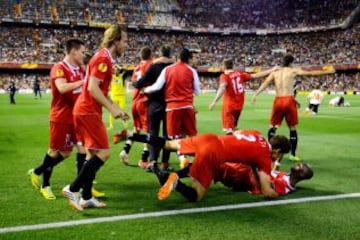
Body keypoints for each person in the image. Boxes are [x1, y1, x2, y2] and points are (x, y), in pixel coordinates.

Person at [62, 25, 129, 211]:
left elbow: (99, 90)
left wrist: (115, 108)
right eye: (124, 41)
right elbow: (92, 87)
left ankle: (86, 197)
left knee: (91, 153)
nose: (125, 45)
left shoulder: (104, 57)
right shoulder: (103, 58)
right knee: (103, 153)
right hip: (87, 111)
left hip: (87, 110)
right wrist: (111, 109)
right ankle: (72, 188)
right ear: (115, 41)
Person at [128, 129, 291, 202]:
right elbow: (266, 191)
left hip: (208, 138)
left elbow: (236, 133)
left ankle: (132, 136)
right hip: (213, 153)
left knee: (168, 144)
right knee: (196, 196)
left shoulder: (256, 134)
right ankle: (174, 179)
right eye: (280, 155)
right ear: (277, 151)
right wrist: (277, 193)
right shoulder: (264, 157)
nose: (278, 158)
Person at [28, 39, 86, 200]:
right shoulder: (59, 68)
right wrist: (83, 81)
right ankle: (45, 185)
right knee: (54, 152)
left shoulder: (80, 69)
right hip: (60, 117)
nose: (84, 54)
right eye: (82, 51)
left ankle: (80, 185)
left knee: (70, 152)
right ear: (73, 51)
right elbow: (62, 87)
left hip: (75, 117)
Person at [251, 54, 335, 161]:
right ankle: (293, 154)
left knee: (272, 127)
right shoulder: (293, 70)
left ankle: (270, 152)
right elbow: (311, 73)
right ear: (291, 62)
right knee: (292, 128)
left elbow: (266, 83)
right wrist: (326, 71)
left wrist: (255, 94)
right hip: (289, 100)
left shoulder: (275, 72)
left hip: (278, 100)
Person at [143, 48, 200, 168]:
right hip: (187, 106)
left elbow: (157, 86)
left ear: (176, 58)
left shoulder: (168, 69)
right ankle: (199, 159)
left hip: (172, 108)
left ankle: (182, 157)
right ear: (189, 58)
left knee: (173, 137)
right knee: (192, 135)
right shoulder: (191, 71)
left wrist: (145, 90)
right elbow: (198, 92)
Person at [208, 58, 278, 134]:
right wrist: (271, 70)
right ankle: (240, 140)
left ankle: (242, 140)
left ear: (223, 66)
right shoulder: (240, 74)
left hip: (229, 106)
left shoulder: (224, 76)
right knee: (234, 128)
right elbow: (256, 75)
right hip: (239, 106)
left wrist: (214, 101)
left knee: (229, 131)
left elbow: (223, 86)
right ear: (233, 66)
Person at [131, 45, 173, 172]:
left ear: (159, 54)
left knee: (153, 134)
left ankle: (153, 162)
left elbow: (139, 84)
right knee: (167, 135)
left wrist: (134, 83)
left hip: (154, 104)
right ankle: (165, 163)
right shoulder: (173, 68)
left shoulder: (153, 67)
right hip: (169, 105)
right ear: (170, 54)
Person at [119, 47, 153, 168]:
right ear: (150, 55)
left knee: (136, 129)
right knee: (149, 131)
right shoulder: (150, 65)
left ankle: (125, 151)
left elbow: (134, 83)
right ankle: (144, 160)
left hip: (134, 101)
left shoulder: (137, 67)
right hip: (144, 102)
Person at [217, 162, 313, 196]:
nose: (297, 164)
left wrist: (254, 167)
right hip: (247, 171)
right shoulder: (286, 175)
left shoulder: (284, 187)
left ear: (301, 175)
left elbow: (263, 186)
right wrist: (277, 162)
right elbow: (272, 173)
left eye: (299, 166)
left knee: (216, 165)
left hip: (246, 177)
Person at [108, 65, 129, 130]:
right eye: (115, 70)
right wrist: (113, 67)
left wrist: (120, 67)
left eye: (118, 70)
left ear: (119, 71)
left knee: (122, 111)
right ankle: (111, 125)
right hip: (114, 96)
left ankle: (125, 124)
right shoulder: (111, 77)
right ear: (113, 71)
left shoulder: (122, 76)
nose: (116, 71)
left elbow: (127, 71)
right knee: (112, 111)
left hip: (121, 97)